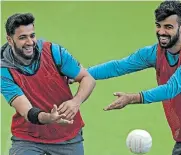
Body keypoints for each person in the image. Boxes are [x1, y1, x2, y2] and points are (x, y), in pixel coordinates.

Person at [84, 1, 181, 155]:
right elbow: (119, 66)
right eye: (158, 25)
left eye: (168, 27)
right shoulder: (154, 53)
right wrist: (79, 74)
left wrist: (133, 98)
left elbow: (172, 89)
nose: (161, 32)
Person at [0, 13, 96, 155]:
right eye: (22, 37)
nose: (30, 42)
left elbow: (88, 79)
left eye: (32, 36)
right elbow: (28, 112)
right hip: (28, 138)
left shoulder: (53, 52)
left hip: (67, 137)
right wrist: (50, 118)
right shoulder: (4, 70)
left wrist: (76, 101)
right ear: (10, 39)